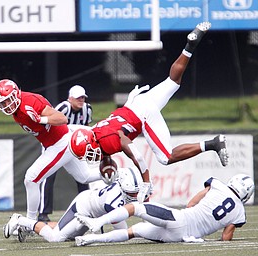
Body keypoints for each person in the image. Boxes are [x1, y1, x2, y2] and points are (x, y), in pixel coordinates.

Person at [69, 22, 228, 203]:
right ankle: (189, 47)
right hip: (136, 103)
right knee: (173, 81)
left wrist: (146, 182)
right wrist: (106, 166)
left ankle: (212, 143)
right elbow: (104, 151)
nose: (90, 156)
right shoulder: (95, 132)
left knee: (166, 157)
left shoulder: (108, 139)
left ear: (90, 143)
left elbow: (136, 155)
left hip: (143, 115)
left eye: (88, 153)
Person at [0, 79, 102, 225]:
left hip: (60, 142)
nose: (7, 106)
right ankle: (118, 175)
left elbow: (62, 118)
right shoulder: (17, 110)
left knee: (31, 179)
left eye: (8, 101)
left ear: (16, 94)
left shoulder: (30, 102)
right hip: (54, 143)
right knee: (85, 177)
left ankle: (31, 223)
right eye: (3, 104)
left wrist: (40, 119)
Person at [75, 173, 255, 245]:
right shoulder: (239, 213)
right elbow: (225, 238)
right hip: (182, 238)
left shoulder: (216, 185)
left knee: (136, 208)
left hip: (180, 219)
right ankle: (89, 240)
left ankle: (96, 223)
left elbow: (191, 203)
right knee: (133, 232)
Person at [3, 165, 144, 243]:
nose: (133, 196)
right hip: (83, 208)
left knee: (67, 235)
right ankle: (19, 219)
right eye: (131, 193)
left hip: (90, 211)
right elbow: (122, 231)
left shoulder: (123, 190)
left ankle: (28, 226)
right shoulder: (112, 202)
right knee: (55, 238)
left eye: (135, 193)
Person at [39, 85, 93, 222]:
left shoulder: (87, 109)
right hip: (55, 146)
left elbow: (86, 129)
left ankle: (87, 209)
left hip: (75, 148)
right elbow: (49, 124)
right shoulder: (63, 108)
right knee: (48, 176)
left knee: (83, 177)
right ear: (70, 99)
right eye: (78, 97)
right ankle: (43, 213)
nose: (81, 100)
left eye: (83, 97)